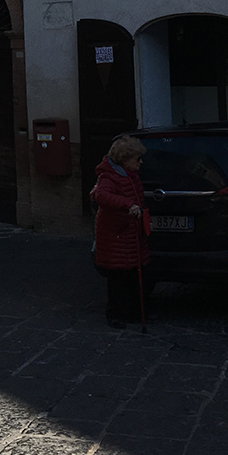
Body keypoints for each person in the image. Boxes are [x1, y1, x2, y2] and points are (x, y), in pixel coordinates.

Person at [91, 135, 149, 328]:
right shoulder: (109, 177)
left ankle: (132, 312)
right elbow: (101, 195)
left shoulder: (131, 175)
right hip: (115, 234)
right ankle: (115, 313)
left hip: (131, 233)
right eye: (137, 158)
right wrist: (127, 205)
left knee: (133, 273)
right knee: (118, 277)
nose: (140, 162)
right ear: (125, 160)